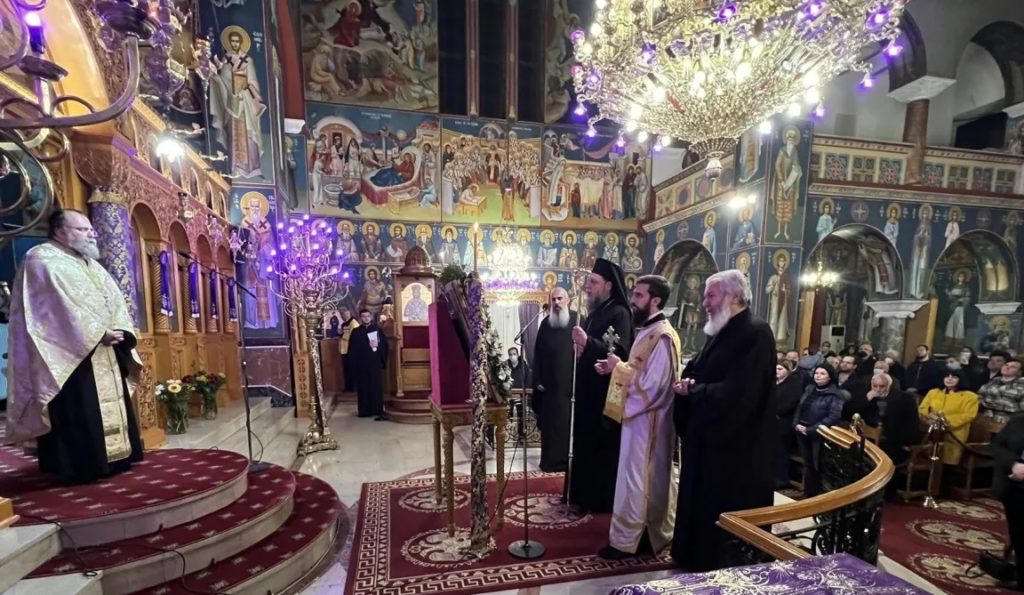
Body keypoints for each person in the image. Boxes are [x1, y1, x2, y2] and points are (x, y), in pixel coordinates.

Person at [5, 210, 143, 484]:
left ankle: (116, 459)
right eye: (82, 229)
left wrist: (121, 331)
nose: (91, 234)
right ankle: (82, 467)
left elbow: (115, 299)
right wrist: (96, 333)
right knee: (79, 409)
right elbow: (54, 310)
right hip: (67, 355)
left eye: (90, 229)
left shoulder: (89, 263)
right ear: (59, 231)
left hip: (105, 350)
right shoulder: (41, 259)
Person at [670, 269, 776, 571]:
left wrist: (695, 390)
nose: (704, 302)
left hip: (736, 447)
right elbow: (701, 369)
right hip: (708, 437)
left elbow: (742, 391)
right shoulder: (721, 330)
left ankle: (717, 563)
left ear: (733, 296)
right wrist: (688, 382)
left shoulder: (756, 333)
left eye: (711, 295)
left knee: (723, 508)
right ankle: (694, 555)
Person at [594, 275, 680, 559]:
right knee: (631, 479)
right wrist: (615, 369)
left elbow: (654, 386)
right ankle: (629, 536)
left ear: (656, 300)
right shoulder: (647, 331)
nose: (632, 300)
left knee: (639, 481)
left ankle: (634, 540)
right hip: (638, 421)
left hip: (650, 425)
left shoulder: (663, 336)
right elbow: (638, 372)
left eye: (639, 295)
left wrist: (619, 368)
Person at [568, 258, 634, 513]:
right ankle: (581, 496)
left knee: (600, 446)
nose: (588, 286)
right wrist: (580, 348)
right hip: (588, 390)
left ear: (608, 285)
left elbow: (620, 353)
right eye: (588, 281)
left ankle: (599, 500)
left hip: (605, 393)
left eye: (594, 282)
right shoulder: (596, 312)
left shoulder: (619, 313)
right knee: (584, 443)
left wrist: (588, 343)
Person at [532, 287, 578, 472]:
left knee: (567, 426)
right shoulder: (545, 323)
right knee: (550, 428)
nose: (556, 302)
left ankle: (567, 462)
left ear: (568, 300)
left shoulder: (578, 321)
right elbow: (538, 354)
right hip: (549, 388)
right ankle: (549, 462)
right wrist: (537, 379)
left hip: (570, 388)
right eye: (553, 299)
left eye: (560, 298)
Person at [794, 364, 846, 497]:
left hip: (819, 433)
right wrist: (796, 424)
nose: (818, 376)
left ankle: (815, 495)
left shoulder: (835, 394)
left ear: (830, 377)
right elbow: (800, 407)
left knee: (817, 465)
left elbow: (833, 416)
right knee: (808, 464)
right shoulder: (809, 388)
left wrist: (811, 429)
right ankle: (807, 493)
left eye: (822, 374)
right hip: (802, 430)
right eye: (816, 373)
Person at [847, 372, 920, 467]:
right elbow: (847, 413)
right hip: (867, 442)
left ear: (889, 385)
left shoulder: (905, 399)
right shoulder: (867, 395)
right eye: (875, 386)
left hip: (894, 444)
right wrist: (867, 398)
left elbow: (911, 425)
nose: (878, 389)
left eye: (882, 386)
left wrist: (906, 444)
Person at [991, 413, 1024, 591]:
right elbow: (997, 446)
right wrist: (1013, 464)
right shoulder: (1018, 420)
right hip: (1014, 487)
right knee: (1018, 533)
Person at [919, 369, 979, 466]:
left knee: (948, 463)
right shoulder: (933, 392)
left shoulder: (970, 397)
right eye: (947, 376)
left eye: (954, 377)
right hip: (932, 431)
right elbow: (922, 408)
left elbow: (969, 415)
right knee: (929, 460)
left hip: (955, 433)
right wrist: (930, 416)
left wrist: (944, 422)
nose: (949, 379)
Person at [348, 309, 389, 420]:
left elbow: (385, 345)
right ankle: (364, 411)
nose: (366, 318)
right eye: (363, 316)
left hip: (374, 362)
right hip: (361, 364)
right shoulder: (356, 332)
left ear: (370, 317)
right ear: (360, 318)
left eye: (367, 316)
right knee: (363, 387)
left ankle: (377, 410)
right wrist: (353, 364)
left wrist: (377, 345)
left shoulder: (377, 330)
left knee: (375, 386)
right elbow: (352, 349)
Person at [775, 360, 804, 489]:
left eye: (780, 369)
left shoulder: (794, 384)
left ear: (788, 371)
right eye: (775, 369)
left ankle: (781, 480)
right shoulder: (773, 383)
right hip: (771, 423)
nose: (776, 371)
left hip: (785, 423)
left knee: (781, 452)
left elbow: (790, 403)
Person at [338, 307, 360, 394]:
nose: (342, 316)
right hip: (344, 350)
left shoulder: (354, 323)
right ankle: (348, 387)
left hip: (351, 351)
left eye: (344, 314)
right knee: (346, 370)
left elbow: (355, 337)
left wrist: (342, 335)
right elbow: (343, 333)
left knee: (352, 370)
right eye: (341, 314)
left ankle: (353, 388)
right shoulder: (344, 324)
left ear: (348, 313)